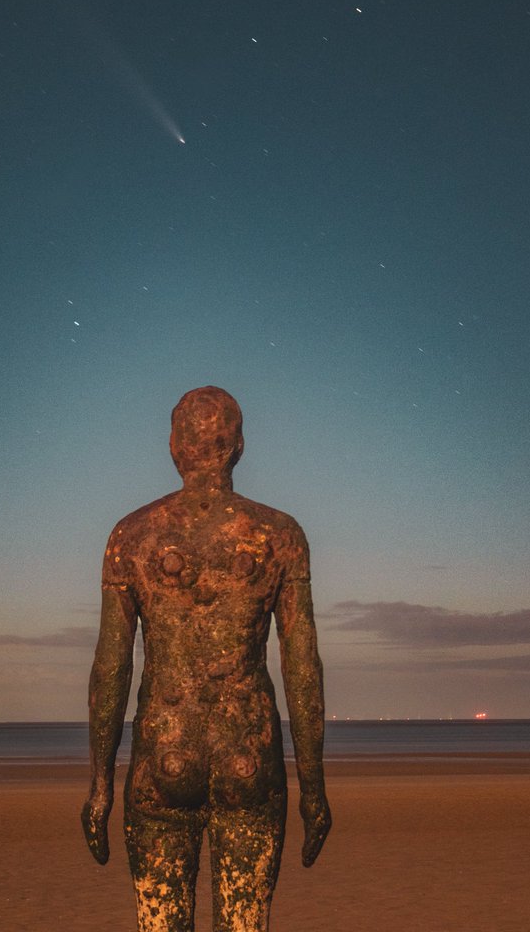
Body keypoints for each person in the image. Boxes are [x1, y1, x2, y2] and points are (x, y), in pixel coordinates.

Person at [82, 386, 331, 931]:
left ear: (175, 447)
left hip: (163, 753)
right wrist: (313, 788)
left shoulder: (132, 535)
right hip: (248, 753)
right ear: (238, 446)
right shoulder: (280, 535)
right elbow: (303, 669)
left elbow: (111, 667)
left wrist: (100, 785)